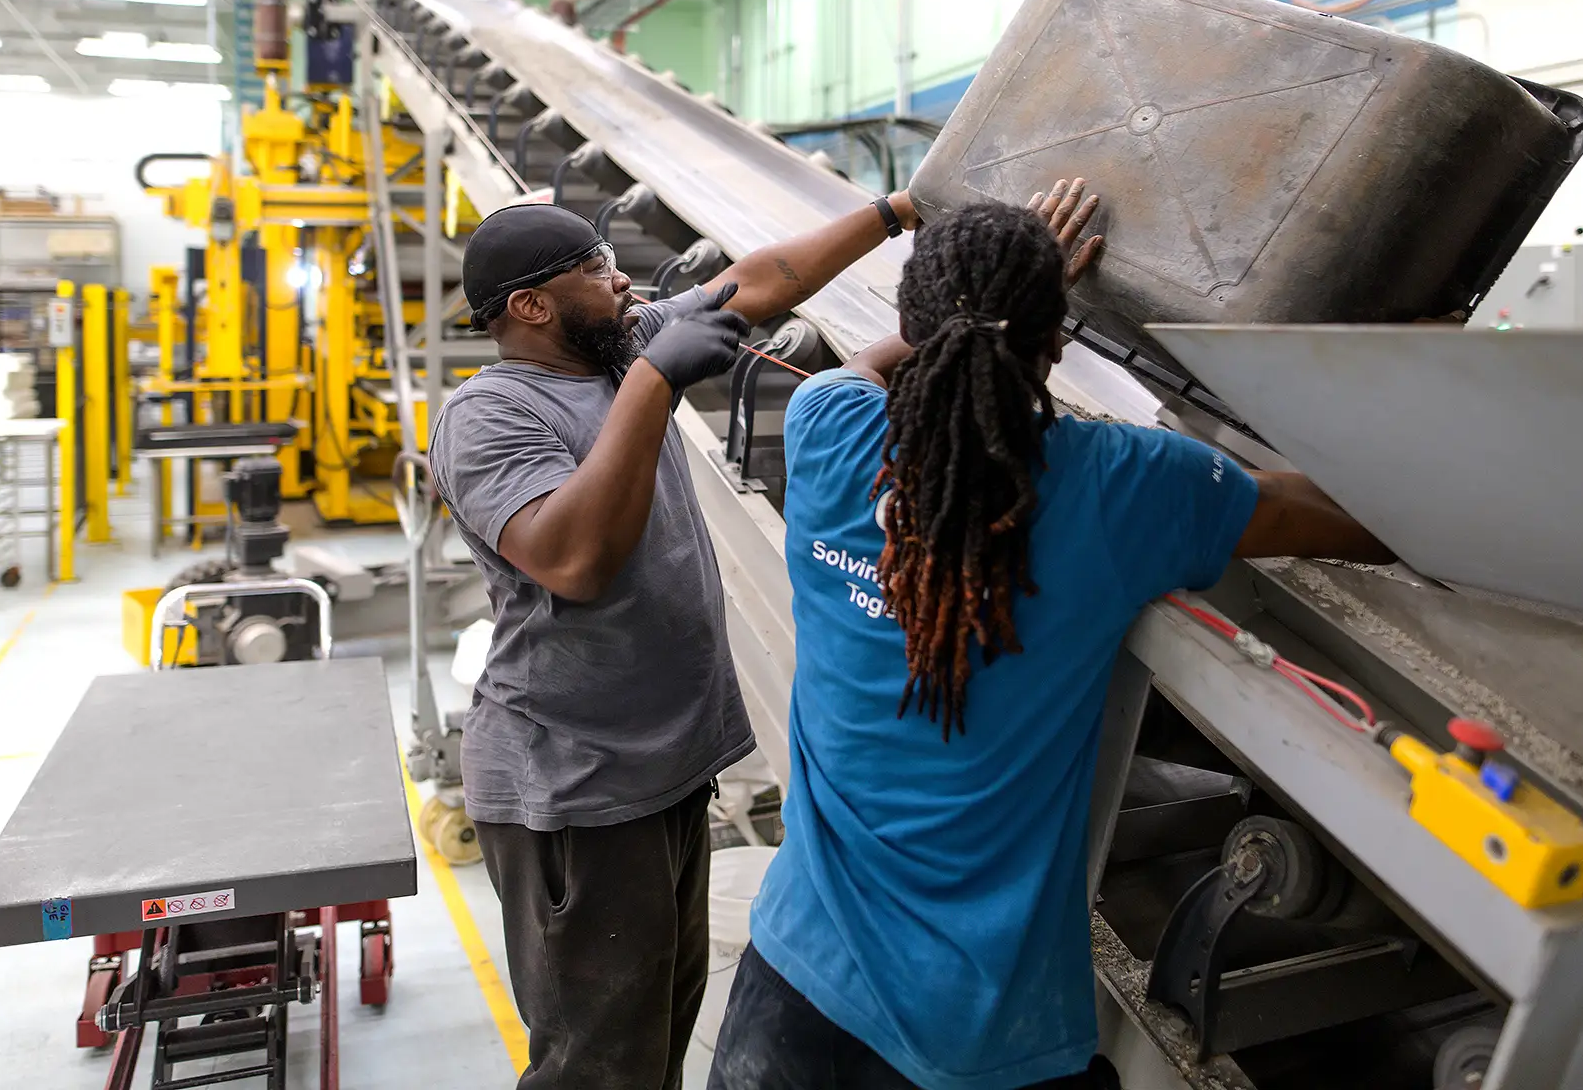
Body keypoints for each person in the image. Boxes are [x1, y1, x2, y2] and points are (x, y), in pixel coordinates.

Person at [708, 181, 1396, 1090]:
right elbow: (1362, 520)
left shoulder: (827, 432)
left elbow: (866, 366)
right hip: (975, 1034)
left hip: (792, 988)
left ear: (913, 322)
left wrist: (973, 315)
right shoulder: (1127, 485)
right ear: (1058, 342)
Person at [427, 191, 922, 1090]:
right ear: (531, 306)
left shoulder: (613, 346)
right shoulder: (490, 416)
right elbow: (575, 561)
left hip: (662, 769)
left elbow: (760, 280)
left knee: (656, 1031)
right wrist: (654, 382)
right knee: (599, 1066)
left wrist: (896, 212)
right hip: (577, 789)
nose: (623, 281)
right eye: (595, 269)